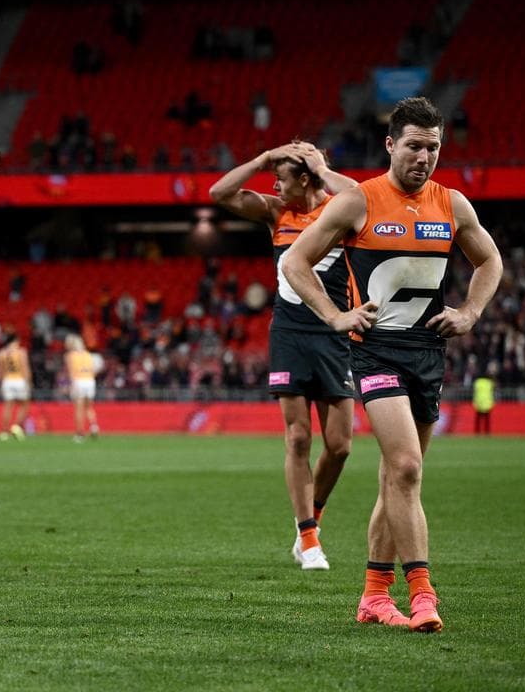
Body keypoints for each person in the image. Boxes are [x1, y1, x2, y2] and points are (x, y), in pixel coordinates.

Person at [283, 96, 501, 632]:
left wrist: (471, 310)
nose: (423, 157)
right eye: (413, 146)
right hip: (375, 350)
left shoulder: (452, 205)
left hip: (427, 354)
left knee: (397, 481)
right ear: (390, 145)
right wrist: (336, 315)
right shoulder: (359, 201)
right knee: (405, 466)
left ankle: (374, 597)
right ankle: (423, 592)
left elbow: (489, 259)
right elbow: (295, 260)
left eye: (433, 148)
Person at [209, 140, 360, 571]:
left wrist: (322, 167)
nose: (274, 183)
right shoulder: (278, 212)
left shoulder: (341, 209)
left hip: (335, 330)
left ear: (308, 178)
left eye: (282, 176)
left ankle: (312, 517)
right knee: (297, 437)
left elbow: (364, 197)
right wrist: (261, 159)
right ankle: (308, 537)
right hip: (290, 333)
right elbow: (219, 194)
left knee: (341, 446)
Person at [65, 334, 100, 442]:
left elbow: (71, 372)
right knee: (89, 407)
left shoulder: (70, 355)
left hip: (79, 381)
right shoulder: (88, 354)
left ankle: (80, 433)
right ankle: (94, 426)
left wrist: (71, 386)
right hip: (90, 381)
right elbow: (93, 370)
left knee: (79, 409)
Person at [0, 334, 31, 440]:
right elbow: (25, 368)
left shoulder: (1, 353)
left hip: (7, 381)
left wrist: (2, 382)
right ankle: (16, 426)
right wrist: (28, 381)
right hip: (19, 380)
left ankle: (4, 432)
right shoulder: (21, 352)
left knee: (7, 406)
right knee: (24, 405)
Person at [472, 362, 495, 435]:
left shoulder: (477, 382)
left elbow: (475, 393)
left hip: (479, 403)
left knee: (478, 420)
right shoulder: (490, 383)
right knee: (487, 420)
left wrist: (475, 402)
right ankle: (487, 433)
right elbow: (492, 393)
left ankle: (477, 433)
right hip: (487, 404)